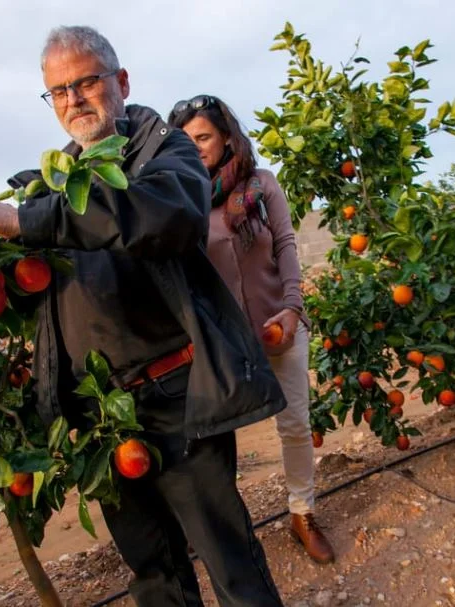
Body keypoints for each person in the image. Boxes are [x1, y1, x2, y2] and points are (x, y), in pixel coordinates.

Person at [0, 26, 286, 607]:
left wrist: (24, 220)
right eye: (58, 91)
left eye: (86, 82)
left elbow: (164, 216)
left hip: (179, 399)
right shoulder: (51, 187)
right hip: (105, 419)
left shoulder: (164, 153)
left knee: (229, 561)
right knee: (153, 572)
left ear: (121, 82)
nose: (73, 99)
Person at [168, 96, 335, 564]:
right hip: (222, 342)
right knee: (213, 441)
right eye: (185, 141)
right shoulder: (179, 200)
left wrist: (292, 308)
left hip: (277, 327)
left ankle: (302, 513)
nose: (196, 147)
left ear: (225, 137)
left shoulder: (261, 184)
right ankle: (214, 536)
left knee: (296, 427)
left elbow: (284, 243)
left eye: (203, 137)